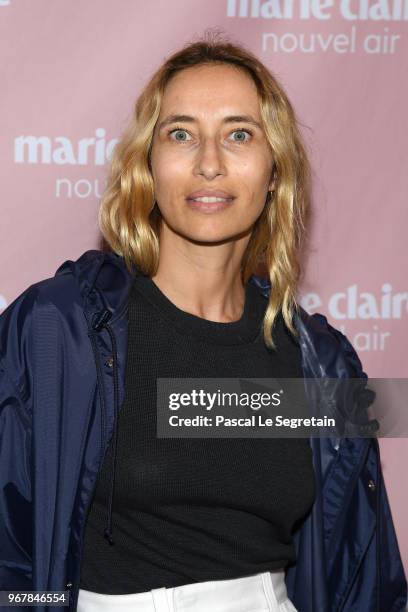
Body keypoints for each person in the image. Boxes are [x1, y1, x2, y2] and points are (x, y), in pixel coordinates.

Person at [0, 32, 406, 612]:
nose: (209, 163)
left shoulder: (321, 361)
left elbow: (365, 577)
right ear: (148, 165)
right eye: (181, 134)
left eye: (239, 134)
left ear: (274, 174)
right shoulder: (57, 330)